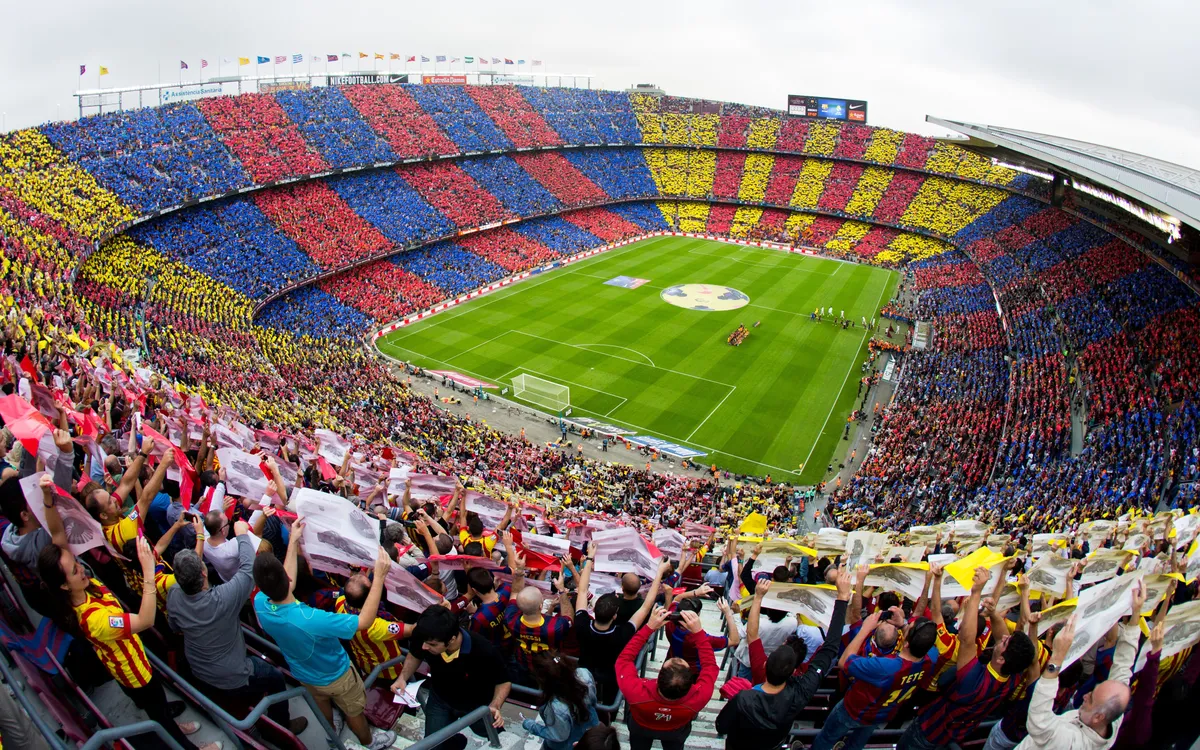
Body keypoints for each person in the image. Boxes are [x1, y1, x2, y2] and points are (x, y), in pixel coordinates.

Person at [36, 475, 221, 750]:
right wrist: (149, 571)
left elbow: (59, 538)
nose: (82, 568)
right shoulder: (93, 618)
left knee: (158, 705)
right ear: (63, 584)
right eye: (75, 570)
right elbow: (145, 620)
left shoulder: (82, 586)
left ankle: (169, 722)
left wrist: (48, 498)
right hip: (134, 675)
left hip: (137, 656)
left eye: (77, 562)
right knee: (157, 711)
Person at [252, 518, 396, 750]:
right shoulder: (312, 619)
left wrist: (294, 542)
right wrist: (378, 577)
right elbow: (364, 621)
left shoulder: (261, 602)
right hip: (336, 674)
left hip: (304, 673)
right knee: (354, 710)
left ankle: (332, 734)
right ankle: (369, 742)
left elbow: (285, 582)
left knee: (321, 704)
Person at [168, 531, 307, 736]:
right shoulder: (223, 599)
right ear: (204, 573)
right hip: (232, 673)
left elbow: (174, 627)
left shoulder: (173, 594)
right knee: (275, 677)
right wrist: (242, 535)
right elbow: (248, 570)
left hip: (198, 664)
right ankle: (282, 727)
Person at [899, 566, 1038, 750]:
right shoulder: (1012, 677)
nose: (1003, 637)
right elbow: (999, 638)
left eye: (1006, 643)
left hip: (927, 732)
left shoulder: (972, 680)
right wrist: (994, 613)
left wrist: (976, 592)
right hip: (954, 732)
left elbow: (966, 640)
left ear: (1002, 659)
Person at [715, 567, 852, 749]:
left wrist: (758, 597)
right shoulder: (801, 692)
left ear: (766, 663)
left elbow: (752, 634)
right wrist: (842, 599)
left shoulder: (743, 698)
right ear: (794, 671)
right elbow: (830, 648)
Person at [1014, 582, 1143, 750]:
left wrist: (1057, 658)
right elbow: (1123, 667)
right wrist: (1136, 615)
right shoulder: (1112, 716)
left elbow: (1039, 722)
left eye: (1091, 698)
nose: (1085, 696)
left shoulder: (1071, 743)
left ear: (1098, 717)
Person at [810, 598, 939, 750]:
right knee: (856, 744)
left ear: (907, 643)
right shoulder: (932, 656)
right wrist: (903, 624)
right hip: (882, 713)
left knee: (827, 738)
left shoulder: (886, 667)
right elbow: (923, 643)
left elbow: (844, 662)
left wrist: (865, 629)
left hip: (853, 710)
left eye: (908, 625)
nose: (906, 623)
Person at [391, 605, 512, 750]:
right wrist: (403, 677)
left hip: (476, 706)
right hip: (440, 700)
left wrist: (495, 705)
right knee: (433, 744)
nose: (424, 647)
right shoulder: (425, 636)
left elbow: (503, 681)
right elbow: (415, 654)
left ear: (452, 639)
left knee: (497, 737)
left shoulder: (483, 649)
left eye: (432, 645)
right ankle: (456, 744)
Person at [573, 549, 667, 715]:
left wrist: (589, 558)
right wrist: (659, 572)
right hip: (611, 679)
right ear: (615, 616)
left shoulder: (581, 623)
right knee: (609, 709)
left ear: (593, 610)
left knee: (582, 704)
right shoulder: (623, 634)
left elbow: (581, 591)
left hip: (584, 676)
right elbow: (646, 606)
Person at [616, 607, 717, 750]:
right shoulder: (699, 698)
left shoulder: (635, 692)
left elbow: (624, 660)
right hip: (675, 731)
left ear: (657, 678)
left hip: (640, 727)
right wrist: (699, 633)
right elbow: (710, 667)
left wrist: (649, 627)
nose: (676, 658)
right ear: (691, 684)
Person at [520, 651, 600, 750]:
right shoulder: (584, 673)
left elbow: (559, 736)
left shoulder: (555, 707)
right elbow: (593, 700)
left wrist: (529, 725)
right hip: (593, 733)